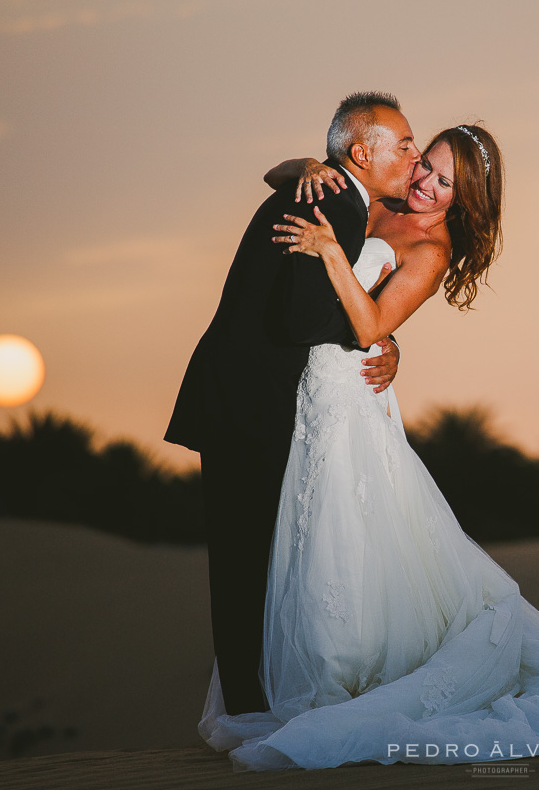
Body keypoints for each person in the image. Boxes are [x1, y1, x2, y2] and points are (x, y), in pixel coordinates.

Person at [198, 123, 539, 770]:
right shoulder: (378, 200)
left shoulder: (431, 248)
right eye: (426, 167)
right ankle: (302, 675)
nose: (427, 185)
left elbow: (373, 322)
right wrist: (302, 165)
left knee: (344, 533)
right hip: (305, 391)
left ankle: (341, 679)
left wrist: (331, 256)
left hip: (349, 398)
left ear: (465, 201)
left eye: (445, 183)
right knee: (302, 537)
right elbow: (291, 184)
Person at [164, 92, 417, 715]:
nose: (413, 156)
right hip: (250, 400)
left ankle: (254, 704)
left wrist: (384, 335)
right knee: (246, 558)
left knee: (245, 556)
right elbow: (303, 316)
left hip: (241, 394)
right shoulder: (336, 202)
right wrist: (371, 335)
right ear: (362, 152)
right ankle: (250, 712)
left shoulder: (330, 193)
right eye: (404, 145)